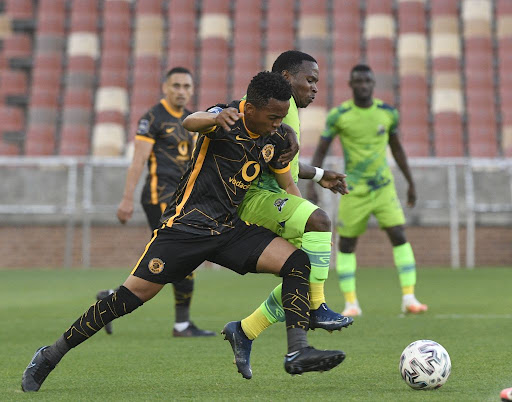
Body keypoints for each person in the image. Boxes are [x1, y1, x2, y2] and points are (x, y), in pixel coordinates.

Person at [21, 71, 346, 393]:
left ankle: (297, 350)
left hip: (228, 230)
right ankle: (50, 355)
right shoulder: (226, 117)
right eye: (273, 117)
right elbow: (193, 121)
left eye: (282, 118)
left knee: (297, 262)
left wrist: (308, 196)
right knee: (128, 298)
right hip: (185, 227)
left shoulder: (275, 136)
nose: (277, 123)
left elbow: (286, 178)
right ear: (250, 109)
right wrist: (215, 118)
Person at [188, 50, 353, 380]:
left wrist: (321, 175)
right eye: (310, 80)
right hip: (252, 198)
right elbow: (250, 137)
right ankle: (316, 308)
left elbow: (283, 163)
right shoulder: (277, 105)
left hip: (268, 196)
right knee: (319, 221)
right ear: (287, 78)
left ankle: (245, 330)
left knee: (302, 269)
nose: (315, 89)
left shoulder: (282, 109)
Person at [101, 67, 215, 337]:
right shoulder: (152, 118)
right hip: (157, 196)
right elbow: (138, 160)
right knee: (182, 252)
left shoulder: (193, 119)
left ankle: (111, 299)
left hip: (180, 199)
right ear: (165, 87)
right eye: (176, 86)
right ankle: (182, 324)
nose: (181, 91)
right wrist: (126, 198)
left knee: (170, 258)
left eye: (186, 86)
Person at [307, 64, 428, 317]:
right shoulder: (340, 115)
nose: (363, 85)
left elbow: (397, 148)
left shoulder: (387, 113)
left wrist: (411, 182)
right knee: (348, 243)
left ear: (373, 84)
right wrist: (312, 182)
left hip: (384, 188)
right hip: (352, 190)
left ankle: (409, 297)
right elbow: (321, 149)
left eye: (367, 81)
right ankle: (351, 303)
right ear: (351, 85)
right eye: (358, 82)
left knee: (399, 235)